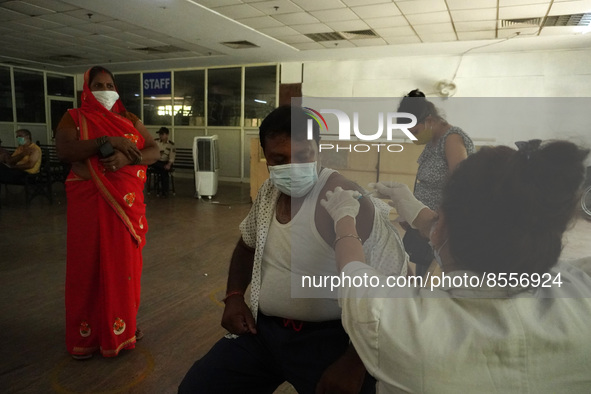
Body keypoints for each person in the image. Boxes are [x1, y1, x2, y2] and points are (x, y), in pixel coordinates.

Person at [321, 140, 591, 393]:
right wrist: (418, 212)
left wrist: (344, 218)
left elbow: (353, 272)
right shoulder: (581, 288)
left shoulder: (399, 322)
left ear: (444, 226)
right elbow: (491, 235)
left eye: (438, 217)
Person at [178, 106, 408, 393]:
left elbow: (394, 282)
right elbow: (247, 244)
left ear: (318, 150)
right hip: (264, 333)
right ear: (266, 157)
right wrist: (235, 296)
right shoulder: (268, 193)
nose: (294, 166)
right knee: (198, 388)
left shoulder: (346, 199)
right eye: (280, 159)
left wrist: (356, 361)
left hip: (332, 342)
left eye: (303, 156)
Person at [55, 65, 159, 359]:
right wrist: (107, 141)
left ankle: (123, 329)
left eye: (109, 84)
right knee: (86, 268)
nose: (105, 90)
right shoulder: (74, 117)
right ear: (87, 90)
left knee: (123, 268)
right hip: (88, 203)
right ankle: (86, 338)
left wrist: (127, 160)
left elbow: (153, 151)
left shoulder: (129, 119)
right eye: (98, 85)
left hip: (125, 204)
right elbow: (65, 151)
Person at [397, 89, 475, 276]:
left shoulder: (452, 139)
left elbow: (460, 186)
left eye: (414, 131)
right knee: (423, 273)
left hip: (443, 227)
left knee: (435, 279)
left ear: (430, 121)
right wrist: (413, 216)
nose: (413, 137)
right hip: (428, 226)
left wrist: (440, 224)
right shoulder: (433, 141)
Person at [149, 126, 175, 196]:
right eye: (159, 134)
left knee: (164, 170)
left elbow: (172, 157)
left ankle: (164, 191)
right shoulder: (156, 142)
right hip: (156, 161)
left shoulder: (170, 145)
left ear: (167, 135)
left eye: (162, 134)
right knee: (161, 167)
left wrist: (169, 164)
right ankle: (164, 190)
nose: (160, 136)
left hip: (165, 162)